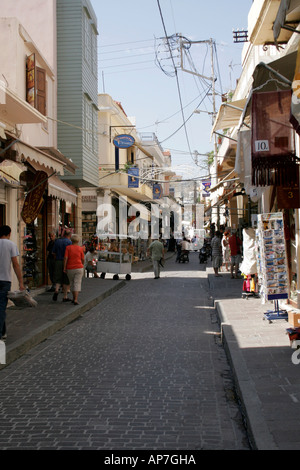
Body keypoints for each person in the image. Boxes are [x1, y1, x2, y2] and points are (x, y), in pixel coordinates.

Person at [0, 225, 25, 340]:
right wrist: (21, 282)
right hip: (5, 280)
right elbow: (15, 264)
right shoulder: (11, 245)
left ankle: (3, 330)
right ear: (9, 234)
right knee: (1, 307)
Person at [63, 234, 85, 305]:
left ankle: (73, 298)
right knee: (77, 283)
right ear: (78, 241)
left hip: (70, 267)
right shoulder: (80, 248)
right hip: (79, 267)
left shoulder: (68, 248)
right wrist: (82, 264)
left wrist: (64, 267)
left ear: (71, 240)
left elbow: (65, 258)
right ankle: (75, 299)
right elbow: (82, 258)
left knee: (72, 283)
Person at [52, 230, 72, 302]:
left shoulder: (57, 241)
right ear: (69, 235)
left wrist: (56, 259)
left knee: (58, 278)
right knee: (66, 279)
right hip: (66, 262)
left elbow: (53, 252)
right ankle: (65, 296)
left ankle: (56, 290)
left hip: (58, 260)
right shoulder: (69, 242)